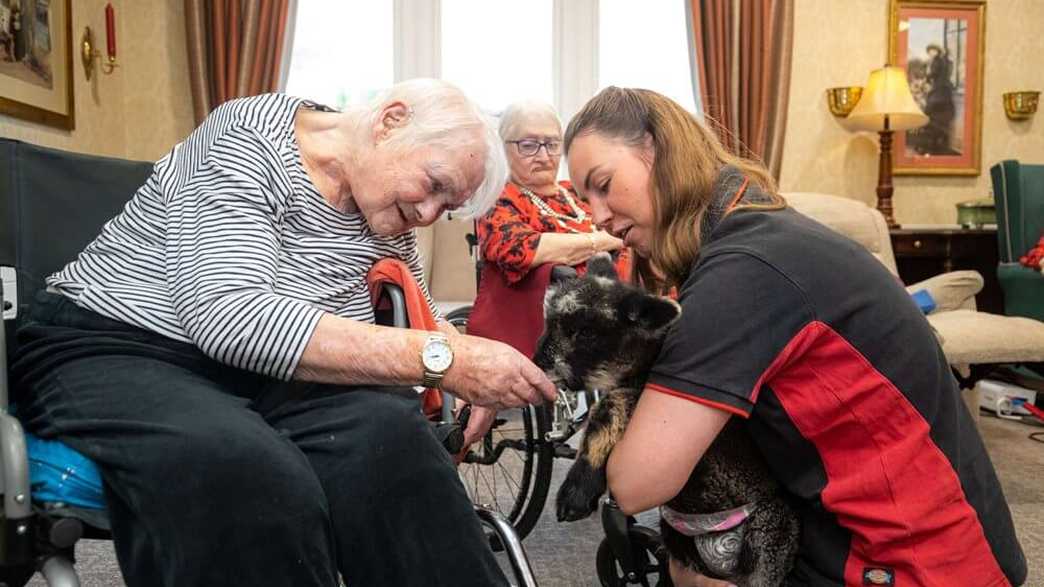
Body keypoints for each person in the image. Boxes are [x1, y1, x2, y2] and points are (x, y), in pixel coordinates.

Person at [11, 79, 557, 587]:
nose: (427, 211)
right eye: (434, 186)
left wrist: (464, 362)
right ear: (391, 120)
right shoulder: (251, 137)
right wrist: (443, 357)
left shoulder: (381, 207)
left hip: (270, 375)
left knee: (395, 443)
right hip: (120, 346)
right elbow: (231, 317)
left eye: (448, 208)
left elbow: (420, 309)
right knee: (245, 473)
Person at [564, 87, 1026, 587]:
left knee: (694, 572)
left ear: (657, 149)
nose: (597, 215)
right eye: (585, 198)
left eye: (603, 185)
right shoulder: (762, 231)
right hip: (917, 531)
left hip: (918, 561)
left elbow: (635, 485)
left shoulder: (741, 273)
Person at [477, 99, 626, 285]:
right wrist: (610, 240)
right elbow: (521, 249)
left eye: (553, 144)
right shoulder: (496, 199)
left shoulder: (577, 190)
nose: (544, 157)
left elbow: (629, 223)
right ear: (502, 148)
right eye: (529, 145)